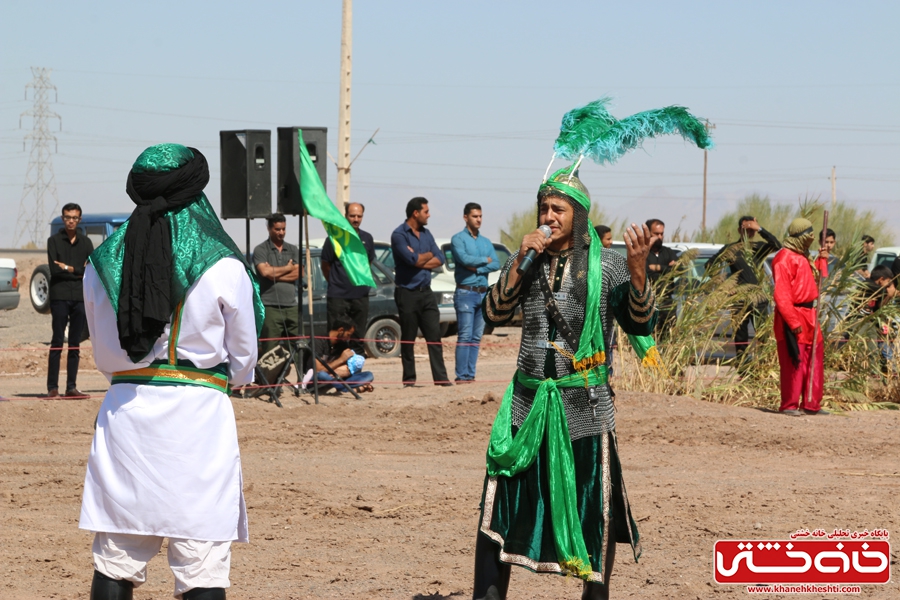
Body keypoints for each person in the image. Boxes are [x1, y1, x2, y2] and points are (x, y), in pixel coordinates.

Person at [79, 144, 263, 599]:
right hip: (199, 420)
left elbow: (104, 356)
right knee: (202, 563)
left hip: (126, 418)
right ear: (196, 186)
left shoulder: (99, 264)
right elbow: (243, 363)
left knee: (116, 558)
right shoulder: (224, 263)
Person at [475, 167, 657, 600]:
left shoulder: (609, 265)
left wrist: (636, 274)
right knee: (498, 508)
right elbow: (493, 315)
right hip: (527, 405)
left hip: (585, 407)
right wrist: (520, 262)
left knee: (595, 511)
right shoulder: (528, 258)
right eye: (544, 207)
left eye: (558, 208)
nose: (549, 215)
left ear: (578, 214)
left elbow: (639, 322)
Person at [390, 197, 452, 387]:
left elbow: (440, 258)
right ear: (415, 213)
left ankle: (441, 378)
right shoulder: (399, 235)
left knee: (434, 336)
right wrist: (422, 258)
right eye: (426, 211)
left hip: (426, 293)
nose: (429, 214)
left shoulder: (427, 234)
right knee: (408, 338)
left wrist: (420, 258)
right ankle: (409, 379)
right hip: (407, 293)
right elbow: (411, 260)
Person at [772, 218, 828, 416]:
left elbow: (815, 280)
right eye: (807, 233)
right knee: (794, 360)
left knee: (814, 359)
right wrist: (793, 321)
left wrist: (822, 260)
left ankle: (812, 403)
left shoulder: (804, 256)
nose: (811, 238)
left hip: (810, 315)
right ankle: (789, 404)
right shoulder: (783, 258)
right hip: (793, 315)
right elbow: (782, 294)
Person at [707, 215, 781, 362]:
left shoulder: (757, 248)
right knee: (740, 335)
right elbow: (709, 266)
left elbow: (777, 245)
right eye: (745, 228)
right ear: (739, 230)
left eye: (751, 228)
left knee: (763, 333)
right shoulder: (731, 249)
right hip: (739, 298)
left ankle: (763, 365)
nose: (749, 231)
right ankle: (742, 366)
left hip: (758, 297)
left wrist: (760, 229)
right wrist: (725, 287)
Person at [46, 203, 94, 398]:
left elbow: (89, 270)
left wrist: (69, 268)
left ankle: (71, 387)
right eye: (67, 217)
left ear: (79, 219)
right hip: (60, 297)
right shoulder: (53, 241)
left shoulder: (86, 243)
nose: (71, 221)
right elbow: (55, 270)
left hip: (79, 298)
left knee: (75, 343)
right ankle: (52, 388)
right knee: (58, 341)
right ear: (63, 218)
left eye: (74, 217)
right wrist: (76, 270)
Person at [450, 202, 500, 383]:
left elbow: (496, 263)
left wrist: (476, 267)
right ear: (466, 217)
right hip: (466, 293)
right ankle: (461, 376)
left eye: (480, 216)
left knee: (477, 336)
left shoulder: (486, 242)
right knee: (464, 335)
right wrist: (483, 261)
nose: (478, 219)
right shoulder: (458, 239)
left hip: (482, 293)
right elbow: (463, 259)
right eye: (474, 216)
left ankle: (470, 375)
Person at [322, 202, 375, 355]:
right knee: (336, 339)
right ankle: (335, 374)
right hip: (338, 297)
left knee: (357, 339)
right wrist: (336, 282)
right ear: (346, 216)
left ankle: (356, 374)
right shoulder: (335, 237)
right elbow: (326, 265)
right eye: (352, 215)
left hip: (360, 296)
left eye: (359, 216)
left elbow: (368, 264)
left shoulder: (367, 238)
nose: (356, 219)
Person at [253, 213, 300, 356]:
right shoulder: (261, 250)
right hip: (270, 307)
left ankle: (301, 377)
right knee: (271, 348)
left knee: (297, 345)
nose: (281, 233)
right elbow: (264, 272)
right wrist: (287, 268)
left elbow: (299, 273)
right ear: (269, 228)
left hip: (291, 306)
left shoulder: (293, 249)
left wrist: (274, 274)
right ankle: (272, 379)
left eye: (283, 229)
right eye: (278, 229)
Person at [303, 315, 374, 393]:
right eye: (348, 335)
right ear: (341, 330)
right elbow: (318, 370)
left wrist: (345, 371)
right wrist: (341, 359)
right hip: (315, 379)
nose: (349, 338)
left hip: (335, 377)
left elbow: (348, 368)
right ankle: (349, 389)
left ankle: (341, 387)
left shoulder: (342, 344)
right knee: (323, 374)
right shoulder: (318, 341)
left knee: (368, 375)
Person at [644, 218, 678, 337]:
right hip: (649, 301)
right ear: (648, 234)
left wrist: (657, 267)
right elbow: (646, 273)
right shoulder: (643, 253)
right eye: (656, 234)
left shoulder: (668, 252)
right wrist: (667, 269)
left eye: (661, 234)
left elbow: (679, 269)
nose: (659, 237)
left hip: (667, 302)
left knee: (668, 337)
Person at [865, 265, 900, 373]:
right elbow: (889, 295)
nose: (888, 287)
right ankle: (883, 369)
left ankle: (890, 366)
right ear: (881, 280)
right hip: (867, 323)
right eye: (888, 283)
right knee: (879, 342)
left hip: (878, 323)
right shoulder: (873, 287)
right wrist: (890, 295)